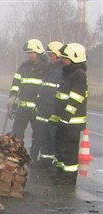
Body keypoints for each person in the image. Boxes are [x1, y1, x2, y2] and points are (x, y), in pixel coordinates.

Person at [51, 43, 88, 186]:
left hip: (72, 121)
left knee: (70, 151)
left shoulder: (79, 75)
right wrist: (55, 117)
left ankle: (69, 178)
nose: (63, 60)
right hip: (64, 120)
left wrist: (66, 116)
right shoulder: (68, 73)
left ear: (75, 58)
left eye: (66, 58)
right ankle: (61, 173)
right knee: (60, 147)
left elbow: (76, 98)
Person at [7, 39, 48, 147]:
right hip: (23, 107)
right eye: (28, 53)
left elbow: (48, 89)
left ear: (39, 52)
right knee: (16, 133)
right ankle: (17, 155)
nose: (30, 56)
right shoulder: (24, 66)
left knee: (38, 135)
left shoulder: (46, 68)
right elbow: (16, 83)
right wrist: (12, 97)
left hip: (37, 109)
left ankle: (34, 158)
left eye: (32, 53)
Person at [31, 41, 63, 170]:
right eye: (49, 55)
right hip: (43, 107)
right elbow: (43, 87)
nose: (50, 57)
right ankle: (45, 160)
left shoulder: (62, 70)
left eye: (52, 55)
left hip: (53, 108)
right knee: (43, 135)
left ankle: (56, 162)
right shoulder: (50, 68)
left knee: (53, 136)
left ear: (58, 54)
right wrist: (38, 103)